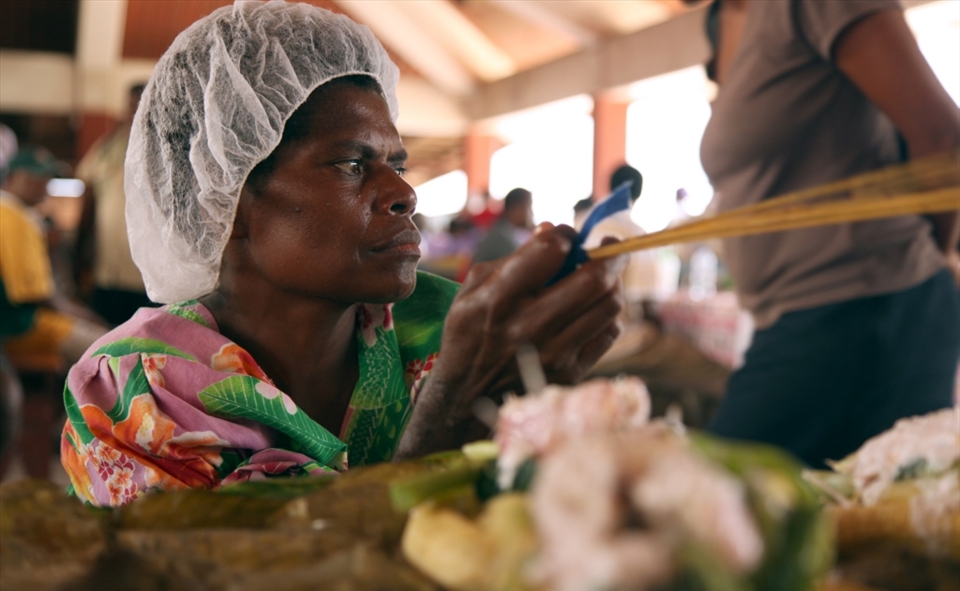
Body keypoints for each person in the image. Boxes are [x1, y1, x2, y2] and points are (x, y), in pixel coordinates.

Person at [60, 1, 625, 507]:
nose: (405, 193)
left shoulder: (447, 325)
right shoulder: (132, 395)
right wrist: (455, 407)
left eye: (396, 165)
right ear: (224, 201)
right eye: (352, 164)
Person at [699, 0, 960, 467]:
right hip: (809, 319)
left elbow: (942, 138)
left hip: (864, 311)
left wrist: (925, 263)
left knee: (711, 505)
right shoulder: (738, 20)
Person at [1, 147, 107, 370]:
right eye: (33, 178)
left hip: (15, 319)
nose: (42, 185)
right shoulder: (14, 215)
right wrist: (84, 315)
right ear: (11, 177)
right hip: (16, 324)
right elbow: (37, 296)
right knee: (108, 346)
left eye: (46, 178)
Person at [74, 83, 154, 326]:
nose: (135, 110)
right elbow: (89, 194)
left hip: (148, 275)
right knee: (107, 336)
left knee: (147, 339)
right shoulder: (107, 146)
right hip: (108, 270)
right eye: (132, 104)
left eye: (142, 103)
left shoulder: (168, 145)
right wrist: (78, 247)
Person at [471, 188, 534, 264]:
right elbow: (524, 263)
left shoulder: (503, 230)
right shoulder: (501, 237)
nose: (532, 214)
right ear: (516, 208)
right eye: (529, 207)